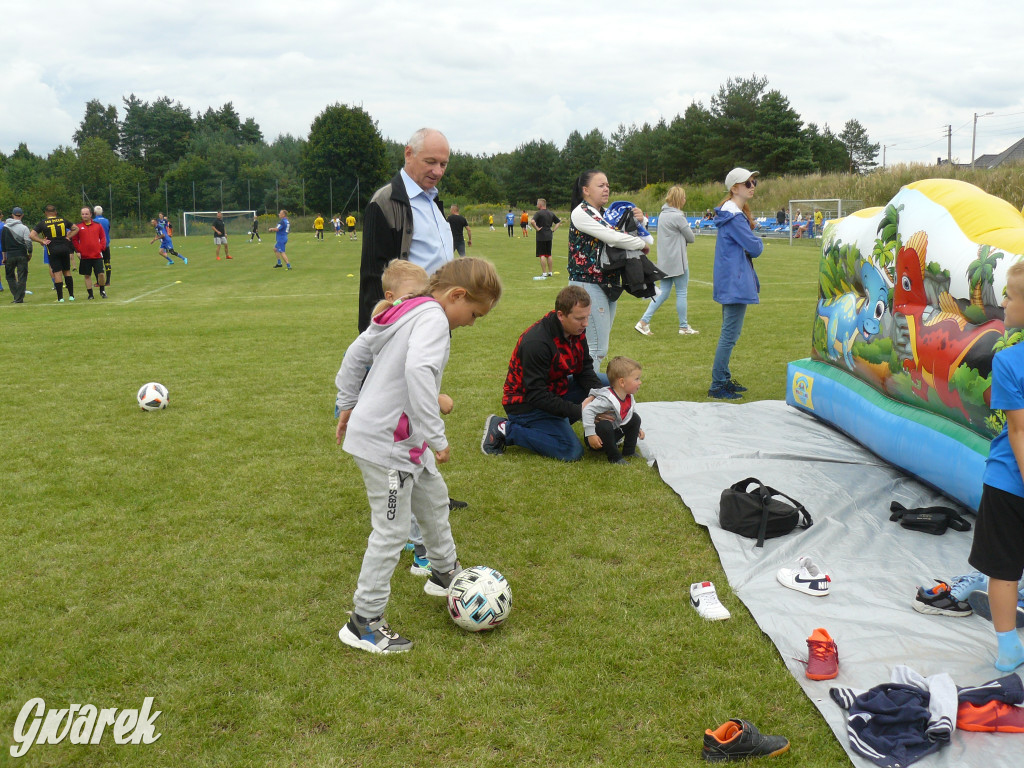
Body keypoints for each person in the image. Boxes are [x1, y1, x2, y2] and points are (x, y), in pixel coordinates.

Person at [335, 257, 503, 654]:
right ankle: (364, 622)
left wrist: (348, 401)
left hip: (402, 440)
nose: (472, 323)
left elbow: (357, 351)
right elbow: (419, 372)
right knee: (391, 532)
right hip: (388, 445)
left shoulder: (407, 309)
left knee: (432, 497)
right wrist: (436, 436)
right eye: (474, 314)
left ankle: (445, 574)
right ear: (456, 295)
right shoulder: (432, 318)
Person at [968, 260, 1024, 672]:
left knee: (1004, 570)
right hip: (1009, 482)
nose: (1002, 302)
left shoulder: (1008, 362)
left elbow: (1019, 433)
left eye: (1007, 295)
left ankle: (1008, 648)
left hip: (1010, 481)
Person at [481, 285, 602, 462]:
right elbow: (536, 395)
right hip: (525, 404)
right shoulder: (537, 342)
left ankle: (600, 433)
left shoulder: (577, 331)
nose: (585, 324)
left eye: (587, 317)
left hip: (555, 390)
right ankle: (504, 429)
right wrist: (580, 411)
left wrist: (603, 399)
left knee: (605, 386)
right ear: (560, 315)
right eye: (579, 318)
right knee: (571, 451)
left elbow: (584, 370)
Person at [357, 127, 453, 332]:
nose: (438, 171)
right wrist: (377, 335)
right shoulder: (384, 201)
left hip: (433, 321)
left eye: (443, 164)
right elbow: (374, 278)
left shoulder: (433, 201)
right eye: (430, 162)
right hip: (403, 326)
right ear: (408, 154)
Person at [567, 169, 649, 374]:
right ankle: (587, 398)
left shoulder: (606, 213)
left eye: (608, 185)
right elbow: (612, 237)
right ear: (585, 190)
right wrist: (640, 244)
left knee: (593, 347)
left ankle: (580, 392)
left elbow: (625, 231)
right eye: (600, 185)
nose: (606, 189)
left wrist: (641, 221)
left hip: (608, 284)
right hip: (588, 285)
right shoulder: (581, 212)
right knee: (596, 348)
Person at [709, 168, 764, 399]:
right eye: (748, 183)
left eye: (754, 182)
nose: (752, 186)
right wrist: (756, 240)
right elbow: (755, 248)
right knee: (730, 334)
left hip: (731, 281)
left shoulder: (731, 214)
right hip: (734, 282)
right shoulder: (733, 216)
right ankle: (718, 384)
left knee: (730, 332)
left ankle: (723, 378)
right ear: (734, 188)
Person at [635, 186, 697, 336]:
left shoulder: (662, 215)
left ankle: (643, 322)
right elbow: (691, 237)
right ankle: (683, 327)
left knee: (663, 293)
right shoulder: (678, 216)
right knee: (682, 293)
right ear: (678, 199)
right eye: (683, 197)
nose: (685, 200)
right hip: (678, 262)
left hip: (665, 261)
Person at [582, 356, 645, 464]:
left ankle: (629, 451)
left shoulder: (628, 396)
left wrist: (637, 428)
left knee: (635, 418)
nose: (640, 382)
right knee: (604, 425)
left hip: (614, 432)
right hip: (598, 438)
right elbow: (588, 410)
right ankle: (614, 457)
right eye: (636, 379)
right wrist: (590, 434)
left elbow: (629, 413)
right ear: (622, 382)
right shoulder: (606, 399)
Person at [30, 205, 78, 302]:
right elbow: (76, 228)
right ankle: (71, 296)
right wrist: (69, 236)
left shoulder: (42, 223)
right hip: (65, 248)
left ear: (46, 213)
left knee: (57, 273)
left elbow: (31, 235)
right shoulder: (63, 220)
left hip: (53, 250)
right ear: (55, 212)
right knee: (67, 271)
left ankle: (60, 298)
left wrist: (41, 241)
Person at [71, 207, 108, 299]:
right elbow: (74, 240)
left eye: (86, 214)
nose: (84, 216)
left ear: (91, 214)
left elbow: (103, 237)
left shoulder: (97, 225)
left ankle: (102, 291)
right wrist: (79, 250)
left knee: (101, 274)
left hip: (97, 255)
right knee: (87, 275)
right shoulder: (78, 227)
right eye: (83, 214)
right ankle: (90, 294)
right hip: (85, 256)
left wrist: (101, 247)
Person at [2, 207, 34, 304]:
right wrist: (30, 253)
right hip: (21, 255)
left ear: (12, 215)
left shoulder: (5, 227)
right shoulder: (24, 228)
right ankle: (19, 298)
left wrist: (4, 257)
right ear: (22, 215)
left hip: (10, 255)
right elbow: (28, 242)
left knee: (9, 277)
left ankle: (16, 296)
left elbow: (3, 244)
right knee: (22, 277)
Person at [529, 198, 561, 280]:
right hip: (549, 235)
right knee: (549, 254)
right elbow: (558, 222)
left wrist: (537, 228)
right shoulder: (551, 213)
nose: (536, 205)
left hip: (541, 236)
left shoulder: (538, 213)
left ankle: (544, 273)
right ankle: (550, 272)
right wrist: (553, 230)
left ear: (540, 205)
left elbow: (532, 221)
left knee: (542, 254)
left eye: (537, 204)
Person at [93, 206, 112, 284]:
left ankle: (99, 282)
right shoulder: (107, 221)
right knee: (107, 263)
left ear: (94, 213)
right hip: (106, 244)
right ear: (102, 212)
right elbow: (108, 229)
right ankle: (108, 281)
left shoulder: (93, 221)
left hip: (97, 246)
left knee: (98, 264)